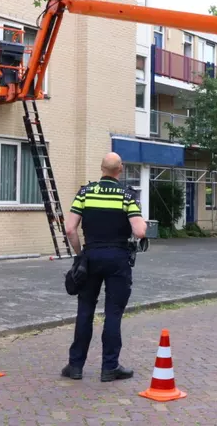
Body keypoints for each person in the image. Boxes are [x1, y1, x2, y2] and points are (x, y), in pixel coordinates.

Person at [62, 152, 147, 382]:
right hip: (117, 258)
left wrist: (80, 255)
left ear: (101, 169)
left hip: (90, 256)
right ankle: (109, 367)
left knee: (85, 311)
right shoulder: (127, 195)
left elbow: (70, 229)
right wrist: (141, 223)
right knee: (113, 313)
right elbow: (139, 232)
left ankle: (76, 366)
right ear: (120, 170)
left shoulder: (85, 192)